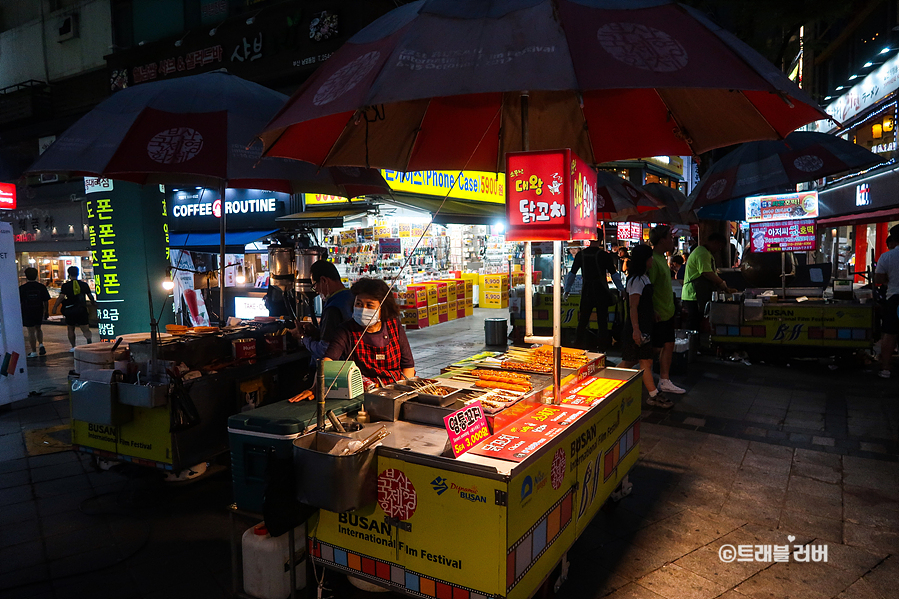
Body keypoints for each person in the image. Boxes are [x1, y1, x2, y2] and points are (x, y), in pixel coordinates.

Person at [289, 278, 415, 401]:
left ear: (383, 308)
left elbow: (408, 366)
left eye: (369, 305)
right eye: (358, 303)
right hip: (365, 394)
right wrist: (315, 387)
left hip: (397, 390)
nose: (363, 309)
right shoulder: (346, 330)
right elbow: (328, 361)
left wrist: (403, 393)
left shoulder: (393, 325)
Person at [619, 245, 672, 408]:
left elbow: (644, 302)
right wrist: (636, 329)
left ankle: (606, 381)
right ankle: (653, 394)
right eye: (650, 257)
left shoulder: (644, 278)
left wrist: (653, 311)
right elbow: (633, 307)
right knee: (644, 361)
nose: (652, 260)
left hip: (644, 326)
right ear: (645, 260)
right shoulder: (636, 280)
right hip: (638, 327)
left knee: (633, 361)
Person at [564, 230, 619, 351]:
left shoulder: (581, 255)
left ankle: (578, 347)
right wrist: (621, 289)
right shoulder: (604, 255)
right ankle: (602, 349)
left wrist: (567, 289)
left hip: (587, 291)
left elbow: (572, 274)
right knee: (602, 322)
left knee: (583, 321)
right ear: (601, 239)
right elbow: (614, 275)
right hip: (601, 291)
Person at [647, 225, 686, 395]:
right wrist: (653, 309)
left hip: (667, 310)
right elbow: (649, 288)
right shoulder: (654, 260)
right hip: (659, 313)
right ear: (662, 240)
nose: (672, 240)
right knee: (653, 349)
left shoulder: (662, 259)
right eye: (670, 237)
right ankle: (632, 373)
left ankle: (664, 379)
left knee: (668, 344)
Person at [292, 260, 355, 362]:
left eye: (314, 286)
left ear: (324, 280)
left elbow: (324, 350)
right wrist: (317, 332)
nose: (316, 291)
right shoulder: (351, 296)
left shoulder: (333, 308)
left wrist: (303, 338)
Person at [682, 233, 733, 331]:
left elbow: (712, 272)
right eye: (720, 246)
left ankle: (695, 343)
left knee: (697, 322)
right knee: (694, 324)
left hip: (696, 294)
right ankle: (692, 344)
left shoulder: (705, 253)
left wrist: (723, 286)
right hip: (693, 294)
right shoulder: (702, 253)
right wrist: (722, 283)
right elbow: (706, 272)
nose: (719, 250)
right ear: (715, 243)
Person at [52, 266, 96, 352]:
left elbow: (61, 297)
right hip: (82, 309)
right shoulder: (84, 284)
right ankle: (89, 342)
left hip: (70, 310)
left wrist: (55, 307)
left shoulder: (66, 286)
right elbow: (90, 296)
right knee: (85, 328)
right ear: (78, 273)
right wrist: (94, 303)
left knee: (71, 328)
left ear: (69, 274)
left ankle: (73, 346)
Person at [874, 232, 899, 379]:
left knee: (889, 334)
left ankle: (885, 369)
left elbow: (878, 278)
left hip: (894, 298)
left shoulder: (887, 256)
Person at [19, 267, 50, 358]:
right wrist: (46, 311)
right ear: (36, 275)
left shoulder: (22, 288)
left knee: (30, 331)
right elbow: (45, 300)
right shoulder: (41, 287)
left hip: (27, 311)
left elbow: (19, 301)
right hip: (38, 310)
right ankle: (41, 344)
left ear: (26, 276)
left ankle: (33, 351)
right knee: (38, 328)